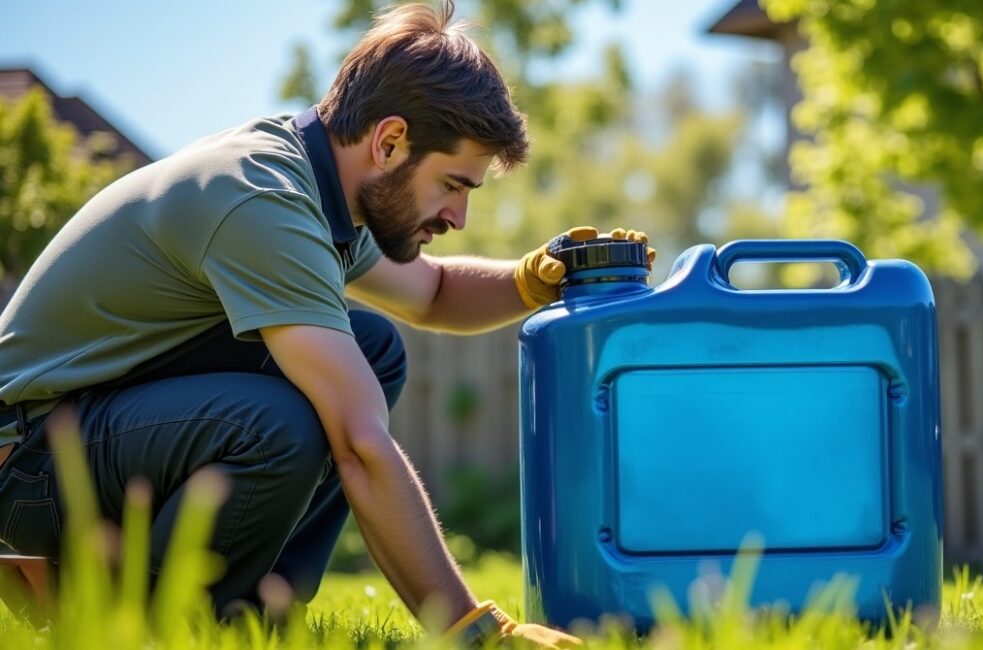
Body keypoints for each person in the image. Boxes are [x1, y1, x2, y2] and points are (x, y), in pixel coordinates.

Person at [0, 2, 650, 646]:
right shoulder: (261, 200)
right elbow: (359, 442)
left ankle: (253, 613)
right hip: (27, 458)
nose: (458, 218)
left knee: (371, 348)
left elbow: (432, 293)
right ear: (390, 140)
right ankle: (159, 618)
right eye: (454, 185)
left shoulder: (311, 184)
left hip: (87, 427)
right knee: (279, 421)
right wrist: (474, 632)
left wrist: (537, 278)